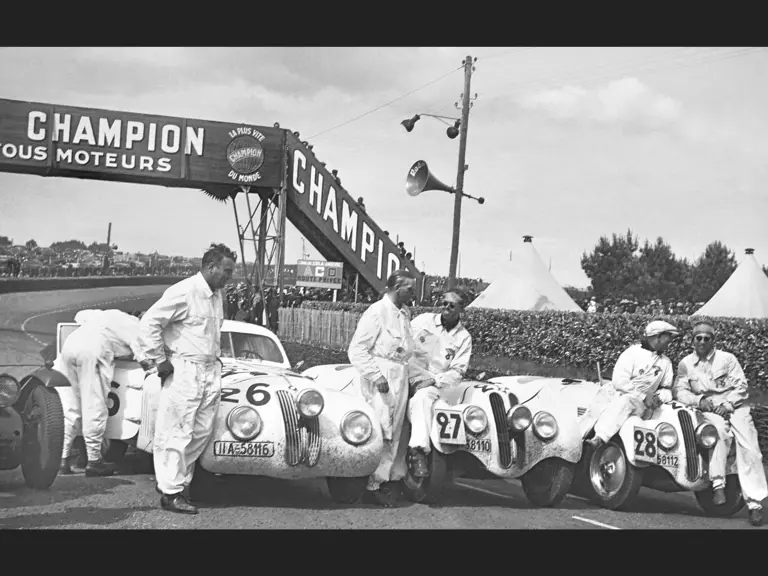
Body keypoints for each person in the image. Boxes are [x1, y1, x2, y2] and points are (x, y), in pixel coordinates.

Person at [139, 243, 235, 514]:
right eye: (226, 271)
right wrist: (158, 360)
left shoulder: (217, 294)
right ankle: (171, 492)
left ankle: (175, 481)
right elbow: (150, 323)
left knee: (201, 432)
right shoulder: (183, 291)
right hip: (184, 370)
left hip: (209, 369)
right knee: (177, 431)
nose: (229, 277)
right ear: (210, 267)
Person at [673, 321, 767, 527]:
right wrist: (699, 401)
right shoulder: (686, 364)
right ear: (692, 340)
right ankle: (718, 485)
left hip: (735, 407)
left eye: (707, 338)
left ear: (713, 340)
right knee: (719, 435)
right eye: (699, 338)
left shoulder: (727, 359)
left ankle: (755, 505)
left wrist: (728, 403)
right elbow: (680, 391)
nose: (702, 342)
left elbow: (741, 386)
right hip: (709, 409)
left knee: (750, 449)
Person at [348, 269, 416, 506]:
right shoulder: (377, 312)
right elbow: (357, 350)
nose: (413, 292)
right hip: (382, 376)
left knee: (396, 432)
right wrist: (376, 376)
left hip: (400, 374)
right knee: (381, 429)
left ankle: (385, 480)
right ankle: (371, 483)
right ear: (397, 288)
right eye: (409, 287)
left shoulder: (405, 313)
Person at [59, 308, 148, 477]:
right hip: (94, 351)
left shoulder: (104, 314)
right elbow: (142, 353)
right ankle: (94, 462)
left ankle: (63, 459)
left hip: (69, 347)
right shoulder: (135, 325)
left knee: (72, 408)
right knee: (94, 405)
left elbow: (79, 315)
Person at [406, 289, 472, 477]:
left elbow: (458, 372)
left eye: (452, 305)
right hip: (407, 373)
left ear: (461, 309)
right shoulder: (423, 320)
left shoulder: (464, 338)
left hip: (433, 384)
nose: (446, 308)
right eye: (444, 303)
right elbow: (402, 340)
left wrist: (433, 380)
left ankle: (418, 450)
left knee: (423, 398)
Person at [581, 320, 678, 448]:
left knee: (627, 401)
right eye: (668, 337)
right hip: (614, 395)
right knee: (586, 423)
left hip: (639, 404)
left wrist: (657, 397)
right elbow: (619, 381)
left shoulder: (666, 362)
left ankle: (599, 439)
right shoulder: (632, 353)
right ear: (658, 337)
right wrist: (643, 396)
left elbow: (666, 389)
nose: (670, 341)